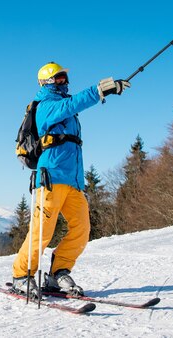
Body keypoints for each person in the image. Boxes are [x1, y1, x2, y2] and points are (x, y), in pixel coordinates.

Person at [11, 61, 130, 298]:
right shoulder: (46, 105)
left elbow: (73, 107)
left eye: (65, 78)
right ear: (46, 82)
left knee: (82, 229)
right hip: (51, 177)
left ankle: (58, 273)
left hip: (73, 181)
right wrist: (100, 90)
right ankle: (21, 275)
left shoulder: (67, 109)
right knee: (43, 231)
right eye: (59, 78)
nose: (64, 81)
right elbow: (73, 103)